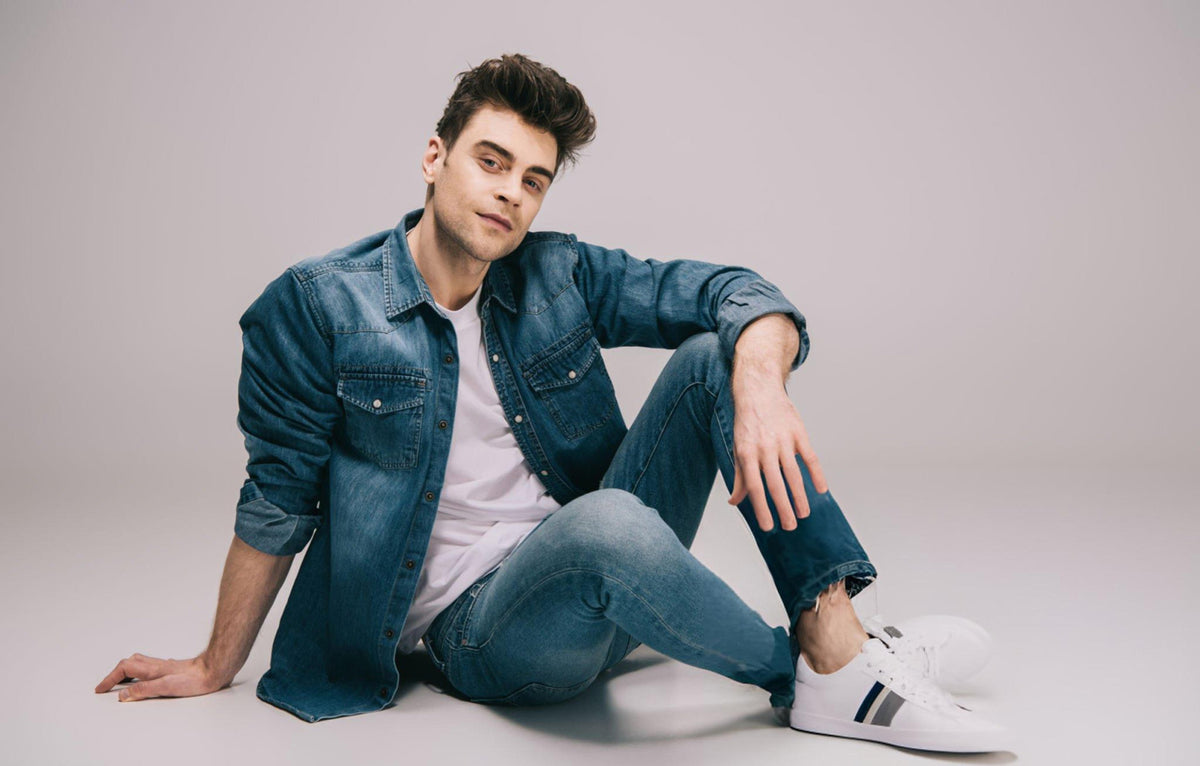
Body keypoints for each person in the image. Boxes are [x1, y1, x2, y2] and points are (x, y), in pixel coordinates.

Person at [95, 53, 1005, 753]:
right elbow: (279, 496)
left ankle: (837, 637)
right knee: (607, 524)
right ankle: (818, 673)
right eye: (491, 162)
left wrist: (761, 384)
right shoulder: (318, 305)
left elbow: (736, 291)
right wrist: (215, 661)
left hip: (606, 583)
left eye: (533, 178)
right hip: (487, 638)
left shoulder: (555, 271)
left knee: (712, 358)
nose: (510, 192)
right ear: (434, 157)